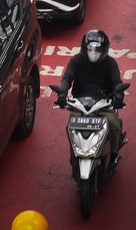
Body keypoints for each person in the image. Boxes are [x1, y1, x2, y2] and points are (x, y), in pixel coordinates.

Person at [54, 29, 126, 169]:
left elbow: (117, 82)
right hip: (79, 104)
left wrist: (118, 96)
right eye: (90, 50)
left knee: (114, 124)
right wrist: (62, 93)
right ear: (84, 48)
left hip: (104, 103)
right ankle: (74, 154)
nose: (93, 54)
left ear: (104, 50)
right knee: (71, 127)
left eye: (97, 50)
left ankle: (113, 154)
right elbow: (67, 78)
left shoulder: (111, 63)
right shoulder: (76, 60)